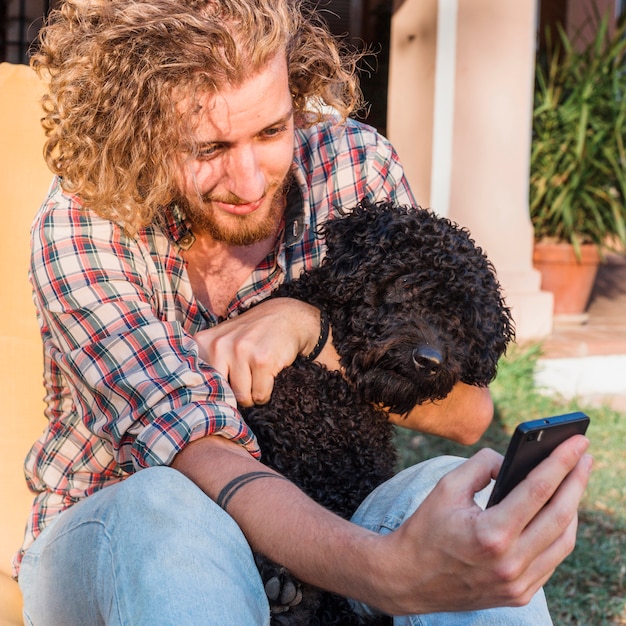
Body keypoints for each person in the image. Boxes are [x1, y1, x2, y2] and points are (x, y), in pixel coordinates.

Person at [15, 0, 591, 623]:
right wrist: (386, 573)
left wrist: (312, 331)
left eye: (271, 131)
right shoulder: (85, 220)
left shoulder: (352, 166)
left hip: (332, 511)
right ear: (139, 132)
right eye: (208, 146)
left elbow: (466, 410)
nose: (250, 181)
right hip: (113, 525)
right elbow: (200, 448)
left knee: (448, 494)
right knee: (165, 507)